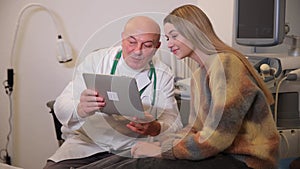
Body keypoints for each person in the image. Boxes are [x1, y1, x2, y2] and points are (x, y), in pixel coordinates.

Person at [79, 4, 280, 169]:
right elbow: (194, 129)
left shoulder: (226, 64)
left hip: (246, 161)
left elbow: (219, 136)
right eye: (167, 38)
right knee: (132, 157)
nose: (169, 43)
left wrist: (163, 151)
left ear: (193, 32)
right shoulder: (199, 75)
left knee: (146, 164)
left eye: (174, 35)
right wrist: (160, 144)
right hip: (222, 154)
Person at [44, 16, 182, 169]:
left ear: (157, 46)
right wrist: (80, 109)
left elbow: (174, 122)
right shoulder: (96, 61)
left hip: (131, 149)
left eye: (147, 45)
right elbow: (60, 106)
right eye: (132, 42)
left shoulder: (163, 74)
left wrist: (155, 127)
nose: (137, 51)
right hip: (87, 146)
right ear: (122, 38)